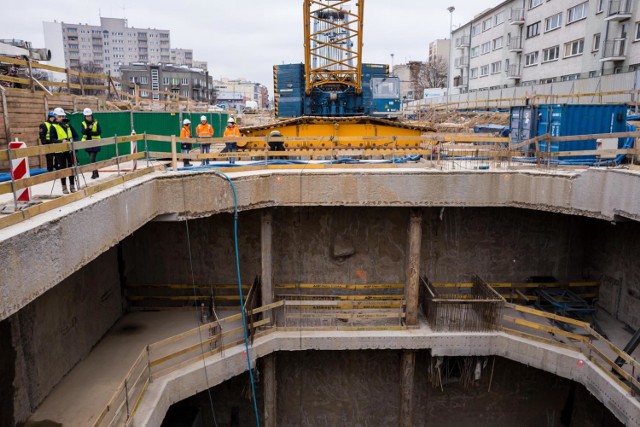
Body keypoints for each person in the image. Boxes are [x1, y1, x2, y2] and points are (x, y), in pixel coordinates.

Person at [49, 107, 78, 194]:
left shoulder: (68, 125)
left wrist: (75, 143)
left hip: (69, 150)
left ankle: (72, 186)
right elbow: (52, 139)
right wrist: (61, 141)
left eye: (63, 116)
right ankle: (64, 187)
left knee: (71, 167)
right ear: (56, 117)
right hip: (60, 151)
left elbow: (76, 136)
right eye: (60, 116)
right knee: (63, 169)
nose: (62, 118)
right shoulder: (53, 127)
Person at [81, 108, 102, 179]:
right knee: (92, 158)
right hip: (88, 143)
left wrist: (90, 132)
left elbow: (99, 132)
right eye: (87, 116)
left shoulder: (96, 122)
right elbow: (83, 132)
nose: (88, 117)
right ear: (85, 116)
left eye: (89, 116)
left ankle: (94, 173)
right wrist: (89, 129)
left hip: (95, 143)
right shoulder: (83, 123)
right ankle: (96, 172)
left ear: (91, 115)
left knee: (92, 158)